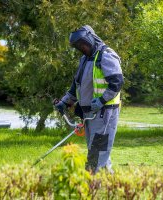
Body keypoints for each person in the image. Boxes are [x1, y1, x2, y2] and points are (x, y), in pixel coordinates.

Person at [55, 25, 124, 174]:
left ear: (91, 39)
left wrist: (101, 100)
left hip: (104, 112)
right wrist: (65, 101)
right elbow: (77, 85)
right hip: (89, 114)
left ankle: (90, 187)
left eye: (83, 44)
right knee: (99, 151)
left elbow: (117, 82)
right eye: (79, 46)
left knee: (96, 153)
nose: (82, 48)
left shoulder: (106, 55)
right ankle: (112, 187)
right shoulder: (84, 59)